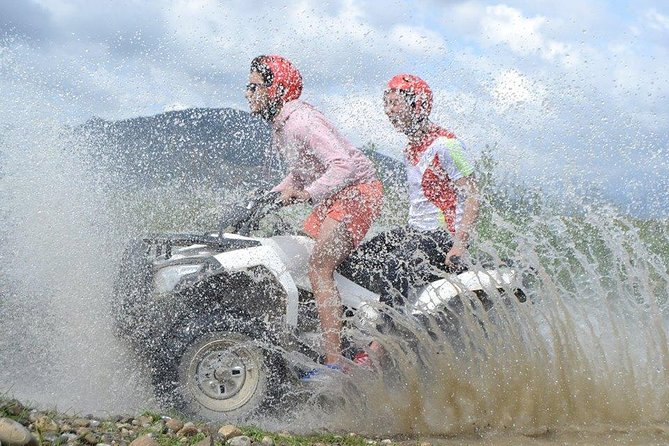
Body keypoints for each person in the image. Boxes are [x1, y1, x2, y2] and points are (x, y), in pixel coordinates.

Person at [245, 55, 384, 371]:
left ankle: (334, 364)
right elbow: (301, 172)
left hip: (357, 192)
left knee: (319, 266)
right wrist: (264, 199)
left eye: (253, 86)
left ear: (276, 89)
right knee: (304, 258)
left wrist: (307, 195)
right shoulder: (281, 127)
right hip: (334, 195)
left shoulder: (301, 123)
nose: (247, 94)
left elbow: (342, 165)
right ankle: (348, 332)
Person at [345, 73, 479, 315]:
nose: (388, 111)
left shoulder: (447, 145)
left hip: (443, 236)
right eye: (386, 103)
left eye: (394, 103)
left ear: (418, 104)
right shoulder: (409, 149)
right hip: (416, 232)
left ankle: (383, 346)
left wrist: (460, 243)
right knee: (357, 259)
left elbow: (473, 196)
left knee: (396, 266)